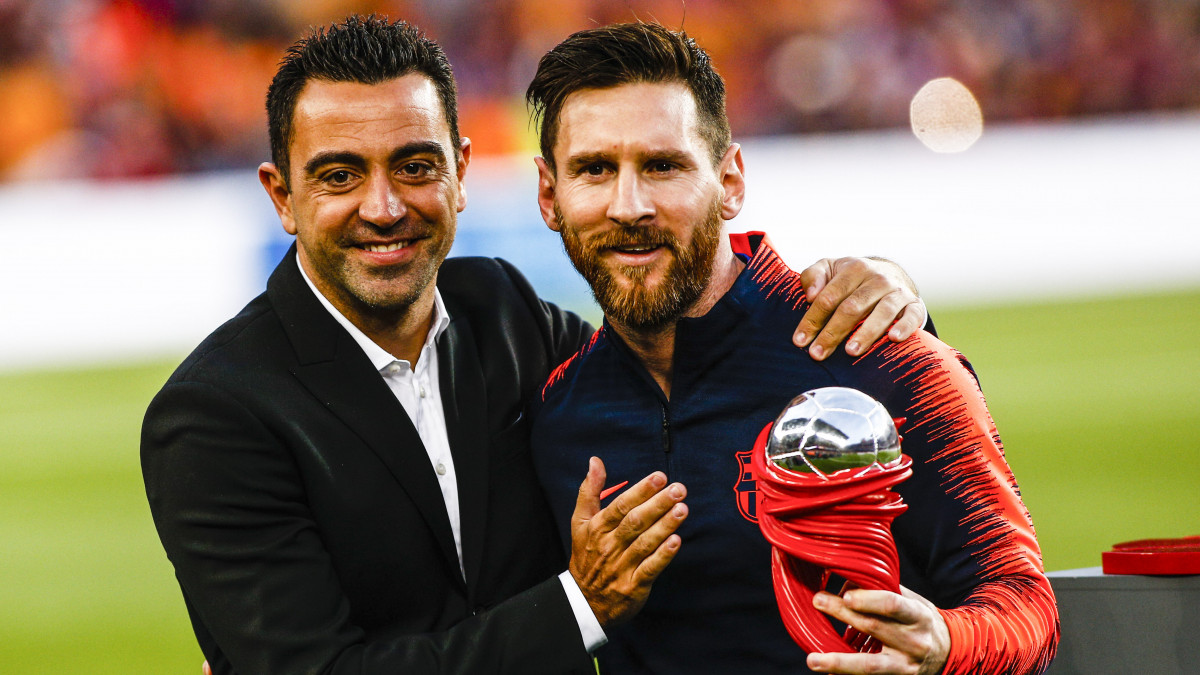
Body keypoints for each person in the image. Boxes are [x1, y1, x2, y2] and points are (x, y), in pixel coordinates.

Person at [142, 16, 928, 675]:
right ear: (282, 196)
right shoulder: (214, 416)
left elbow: (679, 383)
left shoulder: (501, 310)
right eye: (340, 176)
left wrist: (880, 291)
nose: (383, 207)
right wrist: (581, 604)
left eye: (414, 166)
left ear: (461, 174)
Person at [527, 22, 1059, 675]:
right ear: (551, 195)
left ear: (730, 182)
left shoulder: (883, 355)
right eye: (595, 170)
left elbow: (1026, 604)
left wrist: (948, 642)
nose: (629, 204)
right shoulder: (558, 415)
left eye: (663, 165)